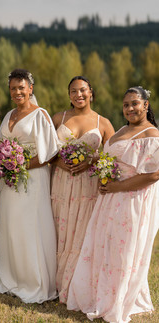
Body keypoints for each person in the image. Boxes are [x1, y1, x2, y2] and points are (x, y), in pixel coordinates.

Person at [67, 86, 159, 323]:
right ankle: (99, 293)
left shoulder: (151, 135)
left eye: (135, 103)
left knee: (121, 251)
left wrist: (117, 187)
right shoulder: (121, 130)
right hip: (109, 200)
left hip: (130, 200)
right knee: (104, 246)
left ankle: (115, 300)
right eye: (126, 104)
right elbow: (111, 158)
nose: (130, 108)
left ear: (146, 105)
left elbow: (153, 175)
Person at [0, 68, 59, 303]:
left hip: (32, 179)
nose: (17, 92)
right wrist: (4, 163)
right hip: (10, 181)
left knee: (30, 228)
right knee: (12, 227)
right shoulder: (8, 115)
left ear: (30, 89)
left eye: (21, 87)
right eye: (13, 88)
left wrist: (19, 167)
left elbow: (49, 154)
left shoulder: (40, 114)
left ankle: (35, 282)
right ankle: (12, 278)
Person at [50, 76, 115, 303]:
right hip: (60, 184)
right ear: (69, 95)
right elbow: (47, 152)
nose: (79, 95)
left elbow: (113, 158)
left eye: (83, 90)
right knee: (58, 229)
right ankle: (54, 284)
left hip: (88, 187)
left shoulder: (103, 123)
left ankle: (76, 285)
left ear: (91, 93)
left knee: (82, 232)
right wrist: (60, 163)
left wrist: (91, 161)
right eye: (74, 91)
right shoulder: (59, 118)